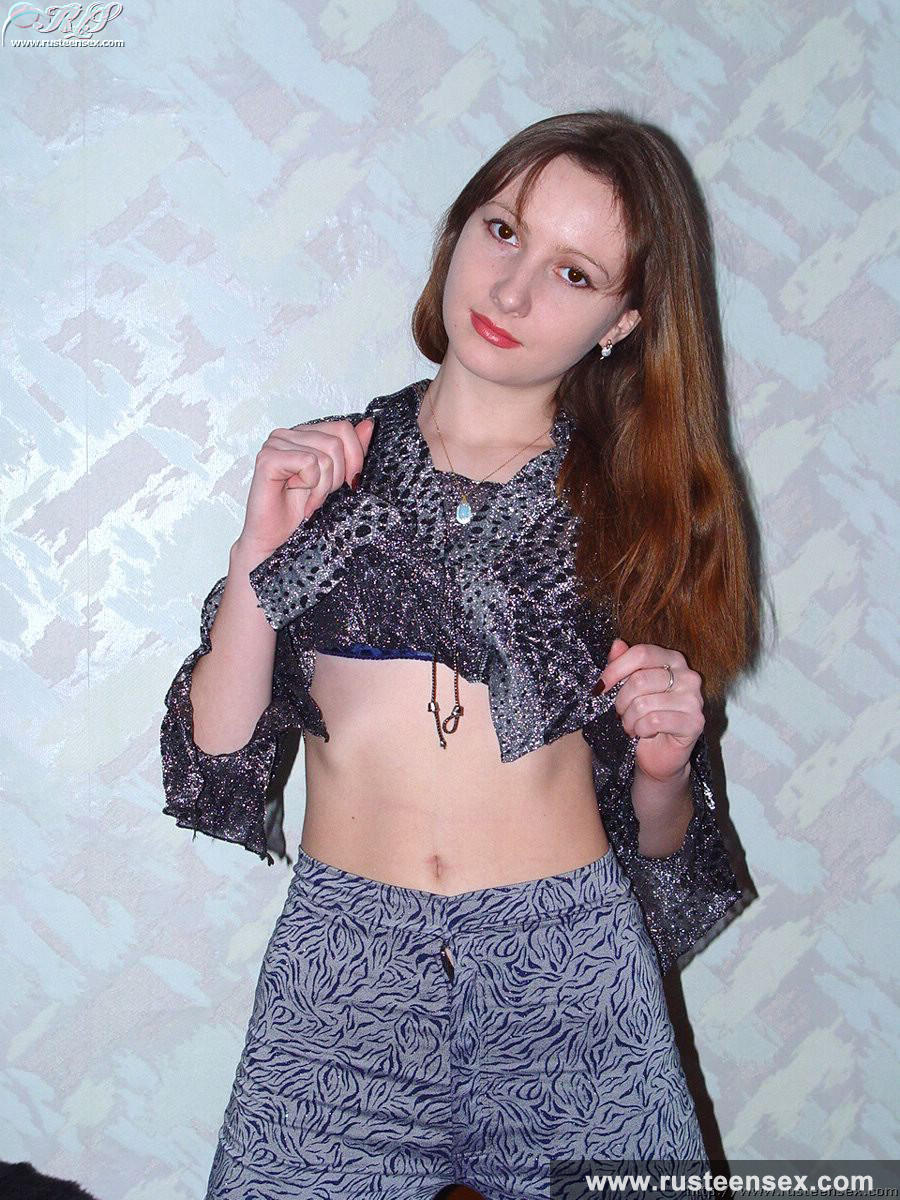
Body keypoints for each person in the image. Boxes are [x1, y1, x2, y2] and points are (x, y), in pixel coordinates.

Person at [160, 109, 758, 1200]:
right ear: (459, 229)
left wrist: (668, 765)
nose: (513, 291)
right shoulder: (328, 475)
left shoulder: (634, 518)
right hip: (344, 980)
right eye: (503, 230)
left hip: (569, 972)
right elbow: (218, 760)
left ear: (624, 321)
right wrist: (257, 552)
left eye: (574, 274)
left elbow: (661, 845)